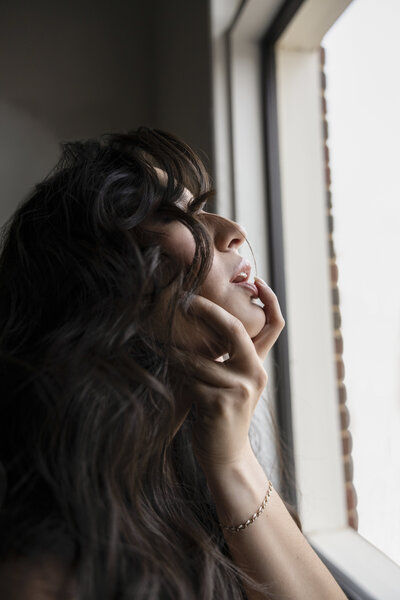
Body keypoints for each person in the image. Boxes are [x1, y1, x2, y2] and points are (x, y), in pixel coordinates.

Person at [0, 128, 346, 599]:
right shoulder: (39, 565)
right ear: (103, 282)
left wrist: (232, 454)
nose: (233, 232)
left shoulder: (191, 454)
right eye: (177, 214)